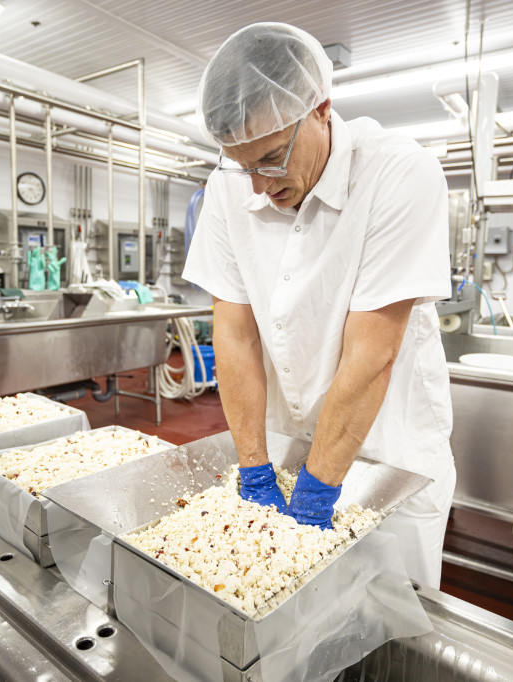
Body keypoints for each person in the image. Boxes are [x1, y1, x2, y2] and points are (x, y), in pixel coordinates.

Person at [182, 22, 455, 587]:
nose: (260, 185)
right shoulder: (229, 188)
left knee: (389, 622)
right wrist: (255, 468)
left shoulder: (398, 173)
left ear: (322, 110)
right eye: (243, 164)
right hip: (288, 442)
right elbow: (233, 335)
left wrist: (315, 495)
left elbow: (373, 352)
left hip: (389, 448)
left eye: (273, 158)